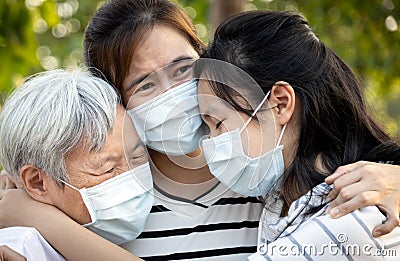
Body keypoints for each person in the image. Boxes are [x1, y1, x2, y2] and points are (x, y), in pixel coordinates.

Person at [0, 0, 399, 260]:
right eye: (144, 85)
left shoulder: (267, 172)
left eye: (182, 69)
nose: (174, 95)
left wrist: (393, 176)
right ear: (118, 102)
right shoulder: (114, 203)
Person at [194, 10, 400, 259]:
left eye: (217, 122)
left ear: (280, 104)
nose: (212, 144)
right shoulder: (284, 198)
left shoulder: (345, 220)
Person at [0, 69, 153, 260]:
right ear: (38, 182)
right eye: (108, 169)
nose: (134, 179)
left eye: (138, 157)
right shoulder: (19, 251)